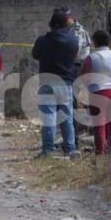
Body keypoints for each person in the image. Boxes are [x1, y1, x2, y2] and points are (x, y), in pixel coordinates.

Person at [32, 10, 80, 159]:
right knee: (66, 118)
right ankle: (70, 149)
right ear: (67, 25)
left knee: (49, 118)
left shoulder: (42, 41)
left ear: (50, 25)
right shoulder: (73, 41)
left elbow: (35, 55)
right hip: (66, 83)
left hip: (47, 83)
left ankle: (48, 150)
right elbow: (76, 56)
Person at [80, 30, 111, 159]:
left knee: (99, 127)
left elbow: (84, 77)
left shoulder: (92, 57)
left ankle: (99, 155)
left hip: (97, 93)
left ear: (95, 42)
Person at [54, 5, 92, 145]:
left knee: (72, 102)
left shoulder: (77, 31)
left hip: (76, 67)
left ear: (68, 18)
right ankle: (69, 136)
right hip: (68, 67)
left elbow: (74, 53)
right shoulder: (66, 30)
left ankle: (73, 137)